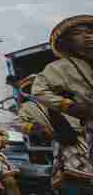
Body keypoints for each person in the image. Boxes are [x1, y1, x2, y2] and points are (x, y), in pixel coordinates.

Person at [32, 16, 93, 185]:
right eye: (78, 33)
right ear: (67, 42)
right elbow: (39, 90)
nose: (87, 36)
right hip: (76, 132)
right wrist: (70, 107)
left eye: (90, 32)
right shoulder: (60, 68)